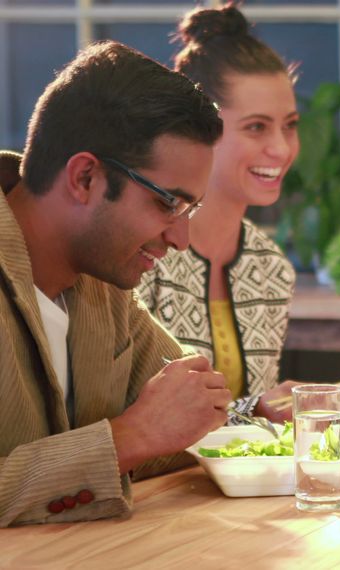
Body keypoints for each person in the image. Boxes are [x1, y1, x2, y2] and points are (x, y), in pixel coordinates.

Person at [0, 41, 230, 526]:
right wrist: (129, 437)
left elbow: (186, 413)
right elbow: (148, 433)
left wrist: (266, 414)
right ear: (85, 177)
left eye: (191, 210)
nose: (181, 238)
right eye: (169, 203)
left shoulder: (106, 280)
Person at [137, 3, 298, 423]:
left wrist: (271, 409)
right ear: (198, 128)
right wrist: (257, 410)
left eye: (290, 125)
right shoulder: (142, 254)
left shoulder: (271, 267)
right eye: (257, 127)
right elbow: (133, 418)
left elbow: (256, 435)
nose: (281, 149)